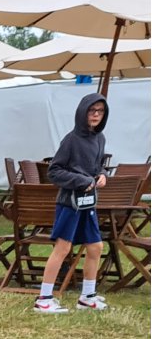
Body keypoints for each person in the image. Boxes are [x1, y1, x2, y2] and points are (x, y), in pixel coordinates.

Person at [33, 93, 111, 313]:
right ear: (82, 111)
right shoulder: (71, 140)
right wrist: (81, 181)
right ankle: (44, 299)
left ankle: (87, 296)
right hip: (70, 203)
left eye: (100, 111)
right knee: (63, 247)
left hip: (88, 203)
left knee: (96, 246)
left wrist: (103, 175)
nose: (96, 115)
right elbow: (54, 171)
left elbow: (97, 166)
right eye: (92, 110)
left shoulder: (100, 138)